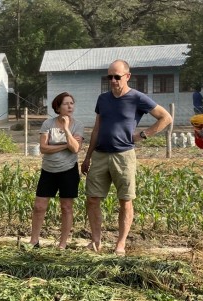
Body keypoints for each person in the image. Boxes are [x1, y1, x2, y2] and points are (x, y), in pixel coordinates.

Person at [81, 60, 172, 255]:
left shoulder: (137, 98)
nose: (112, 80)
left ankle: (120, 243)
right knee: (92, 199)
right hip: (100, 155)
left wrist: (143, 135)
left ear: (127, 76)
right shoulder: (103, 99)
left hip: (123, 156)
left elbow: (166, 117)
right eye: (109, 77)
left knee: (125, 200)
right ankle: (96, 241)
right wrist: (88, 156)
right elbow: (97, 128)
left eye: (117, 77)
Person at [28, 92, 84, 250]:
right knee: (39, 206)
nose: (70, 106)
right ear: (58, 107)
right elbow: (44, 148)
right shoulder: (48, 124)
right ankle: (34, 241)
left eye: (72, 103)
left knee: (66, 207)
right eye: (66, 104)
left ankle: (63, 243)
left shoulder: (77, 125)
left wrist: (66, 129)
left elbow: (75, 149)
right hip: (48, 170)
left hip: (68, 171)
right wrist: (65, 145)